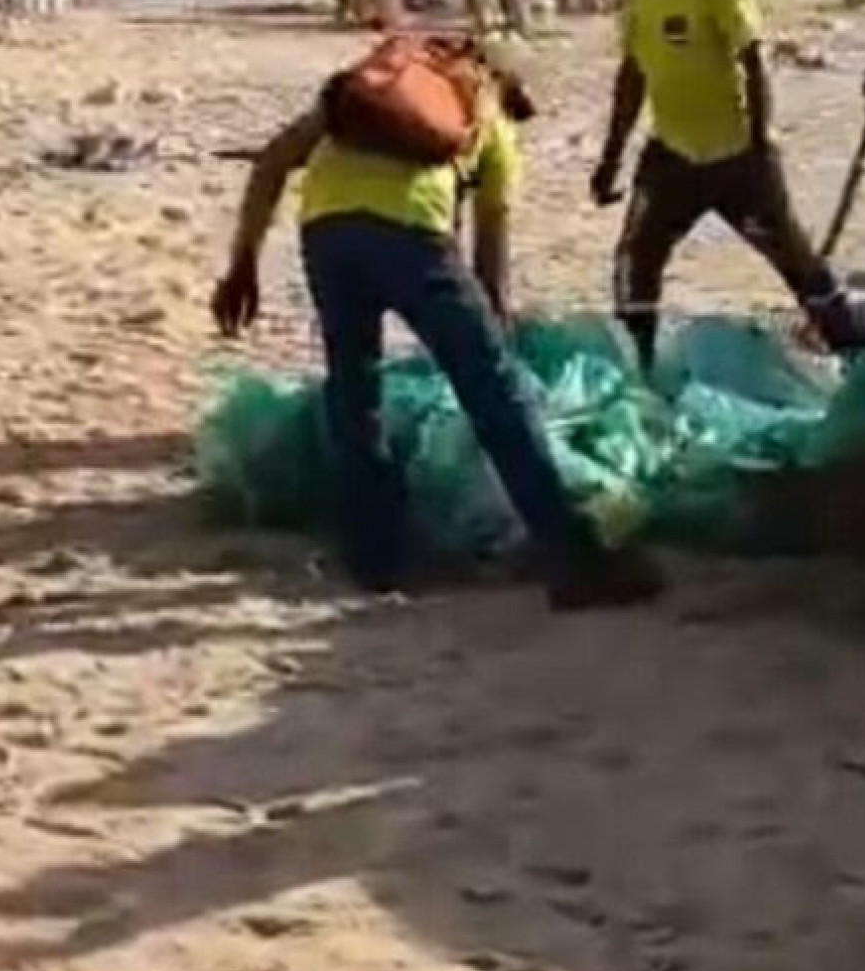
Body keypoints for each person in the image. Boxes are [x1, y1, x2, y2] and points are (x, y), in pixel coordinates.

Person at [211, 46, 662, 609]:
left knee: (355, 393)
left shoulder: (377, 89)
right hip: (412, 238)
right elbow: (490, 271)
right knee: (494, 388)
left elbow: (272, 161)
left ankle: (376, 562)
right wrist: (502, 343)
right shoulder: (490, 120)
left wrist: (243, 264)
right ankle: (570, 558)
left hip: (325, 233)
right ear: (509, 88)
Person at [592, 0, 865, 370]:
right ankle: (637, 365)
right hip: (672, 153)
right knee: (635, 261)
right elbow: (633, 73)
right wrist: (611, 157)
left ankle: (861, 343)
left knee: (797, 263)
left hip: (735, 153)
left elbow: (753, 59)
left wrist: (761, 142)